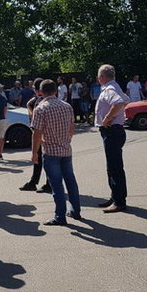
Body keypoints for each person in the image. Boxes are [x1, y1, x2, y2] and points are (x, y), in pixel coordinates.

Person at [31, 79, 81, 226]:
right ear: (56, 91)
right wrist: (67, 139)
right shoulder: (67, 106)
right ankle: (75, 210)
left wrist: (34, 152)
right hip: (66, 149)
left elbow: (37, 133)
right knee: (71, 181)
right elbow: (72, 127)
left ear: (41, 91)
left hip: (51, 151)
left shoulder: (40, 109)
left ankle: (60, 216)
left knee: (56, 185)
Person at [95, 64, 130, 213]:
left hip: (112, 131)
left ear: (102, 77)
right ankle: (115, 196)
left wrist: (108, 118)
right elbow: (126, 100)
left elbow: (119, 102)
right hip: (114, 131)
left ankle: (119, 201)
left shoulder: (110, 89)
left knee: (114, 167)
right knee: (113, 167)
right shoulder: (114, 87)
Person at [20, 78, 52, 193]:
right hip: (41, 134)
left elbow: (35, 118)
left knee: (45, 160)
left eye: (34, 87)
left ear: (38, 89)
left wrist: (29, 107)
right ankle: (34, 182)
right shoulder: (38, 99)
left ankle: (49, 183)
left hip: (42, 135)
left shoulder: (41, 101)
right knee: (38, 160)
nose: (33, 89)